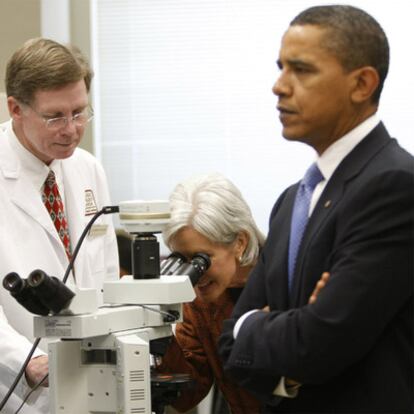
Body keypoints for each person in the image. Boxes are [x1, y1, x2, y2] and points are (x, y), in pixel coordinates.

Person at [219, 5, 414, 413]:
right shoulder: (294, 200)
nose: (279, 86)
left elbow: (320, 341)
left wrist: (255, 326)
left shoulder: (394, 186)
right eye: (280, 68)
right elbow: (228, 344)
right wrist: (283, 338)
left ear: (362, 84)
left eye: (301, 70)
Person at [0, 38, 119, 414]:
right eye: (55, 117)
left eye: (80, 112)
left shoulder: (87, 169)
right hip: (19, 391)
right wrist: (27, 362)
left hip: (95, 384)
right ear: (15, 108)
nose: (72, 129)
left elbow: (108, 278)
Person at [156, 172, 265, 414]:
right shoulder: (199, 300)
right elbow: (187, 394)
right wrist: (157, 329)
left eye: (201, 259)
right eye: (181, 259)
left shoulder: (283, 279)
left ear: (240, 242)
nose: (195, 275)